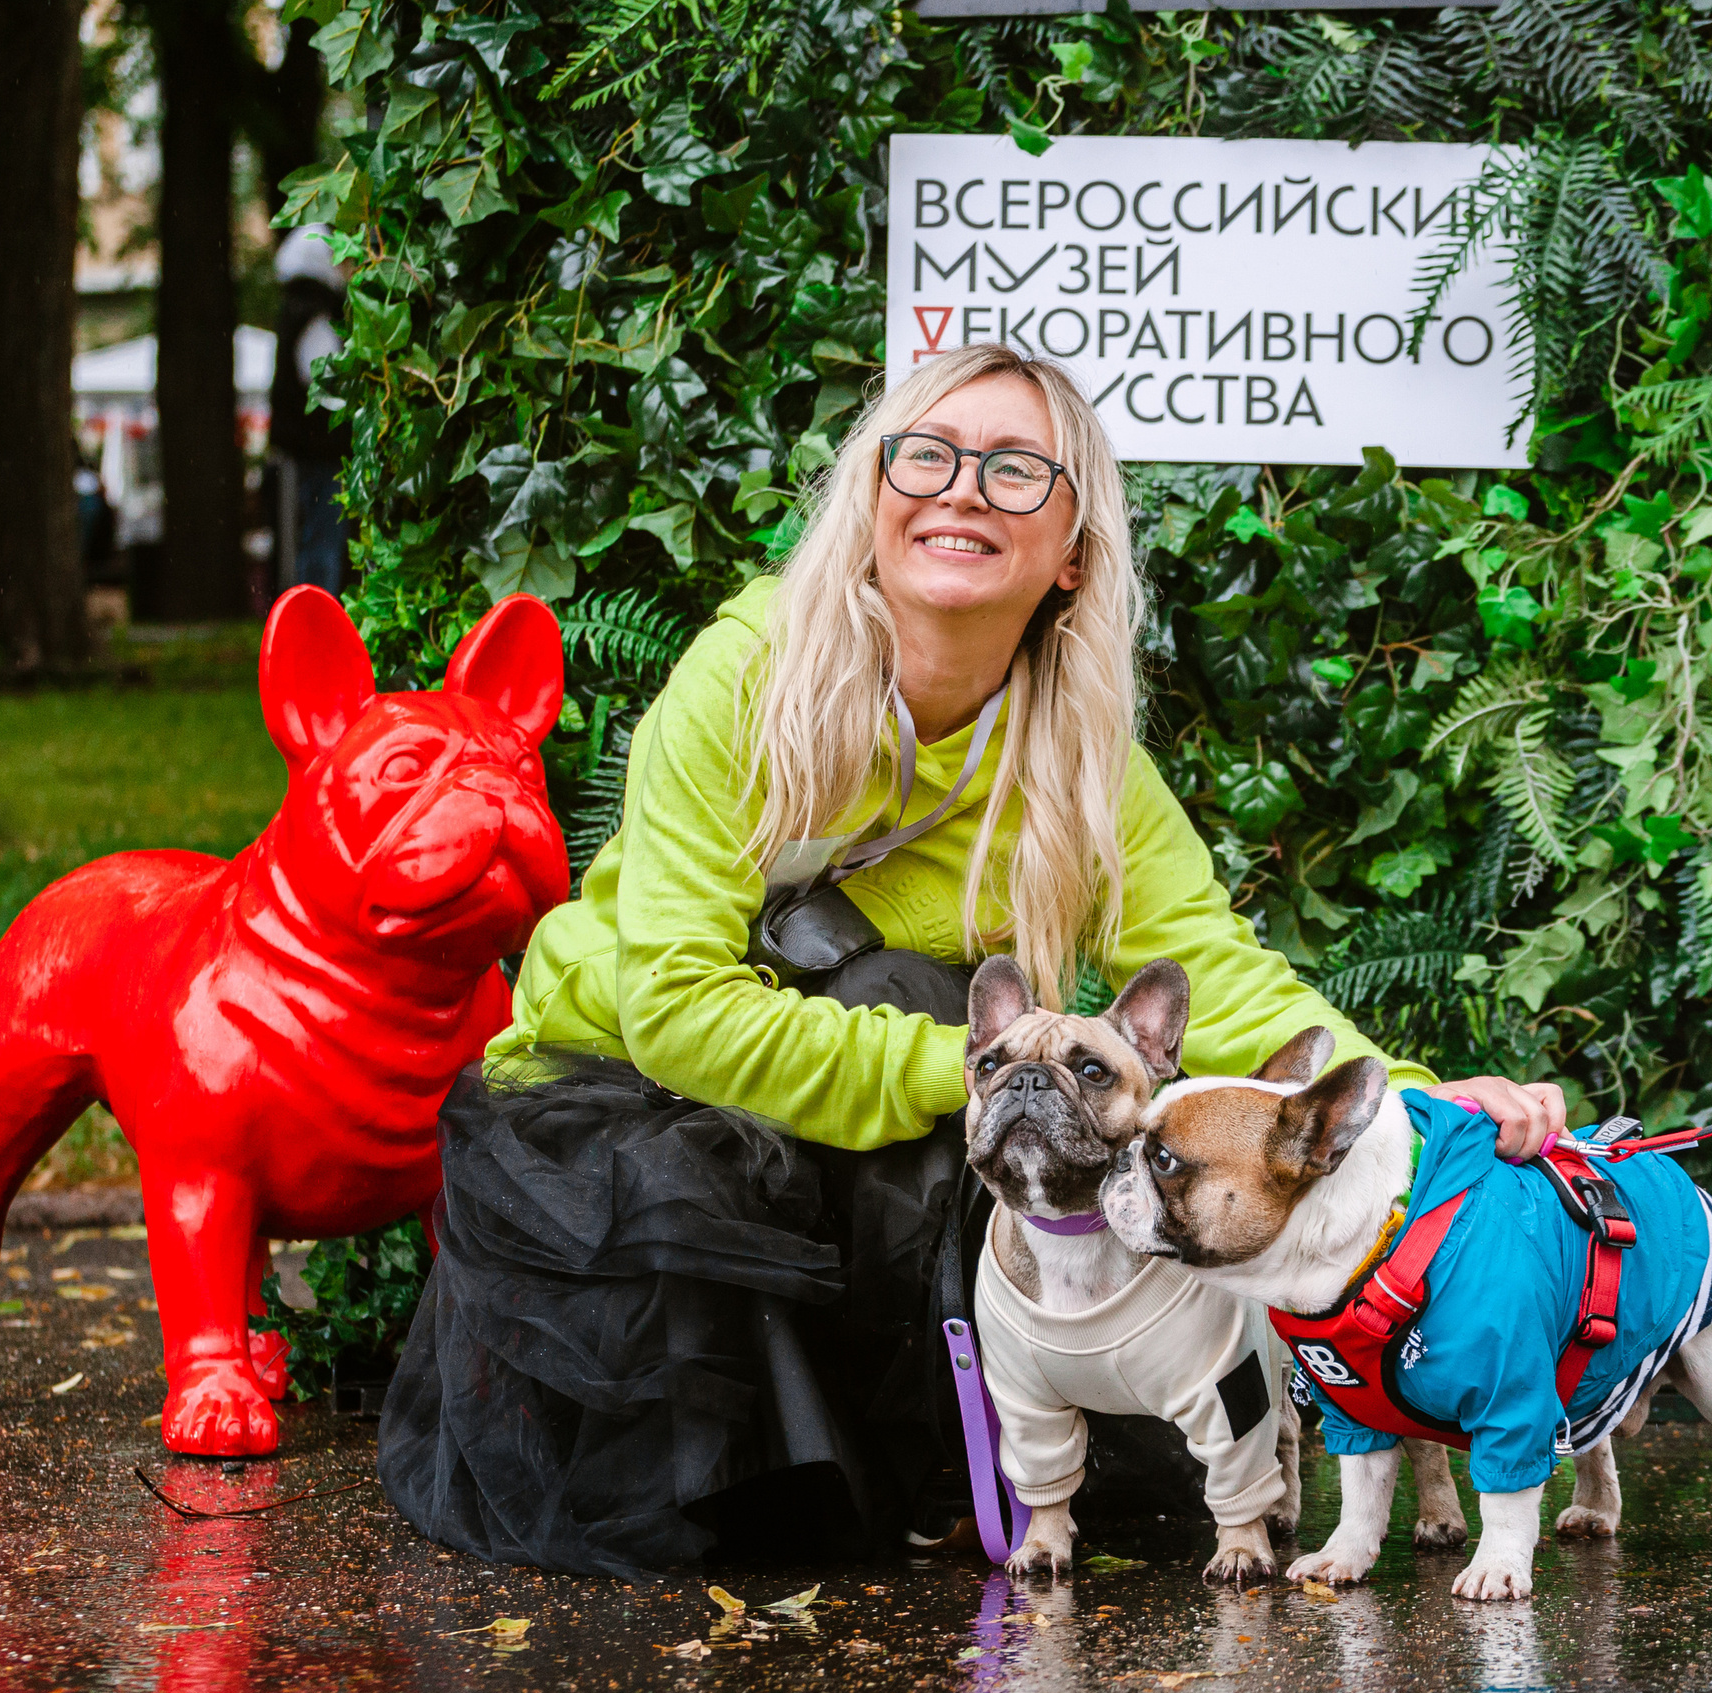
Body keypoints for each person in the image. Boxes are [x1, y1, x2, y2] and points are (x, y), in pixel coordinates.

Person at [377, 342, 1570, 1580]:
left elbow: (1212, 972)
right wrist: (978, 1070)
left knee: (993, 1051)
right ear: (872, 501)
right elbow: (674, 1008)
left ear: (1072, 555)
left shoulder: (1082, 750)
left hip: (868, 1092)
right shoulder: (744, 678)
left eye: (1013, 471)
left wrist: (1425, 1102)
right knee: (952, 1027)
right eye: (928, 457)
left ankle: (955, 1463)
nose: (959, 490)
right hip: (645, 1093)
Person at [267, 224, 349, 596]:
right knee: (321, 543)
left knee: (316, 541)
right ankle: (315, 630)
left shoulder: (297, 313)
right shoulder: (313, 318)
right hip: (318, 453)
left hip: (308, 449)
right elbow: (332, 389)